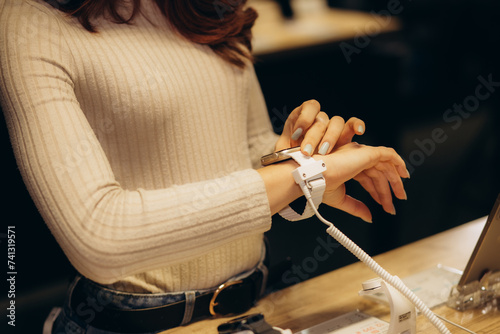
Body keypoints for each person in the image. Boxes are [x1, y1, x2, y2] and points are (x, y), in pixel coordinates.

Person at [0, 0, 409, 333]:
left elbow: (246, 147)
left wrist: (308, 157)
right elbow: (98, 235)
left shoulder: (214, 7)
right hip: (132, 322)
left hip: (254, 309)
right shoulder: (28, 22)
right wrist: (295, 176)